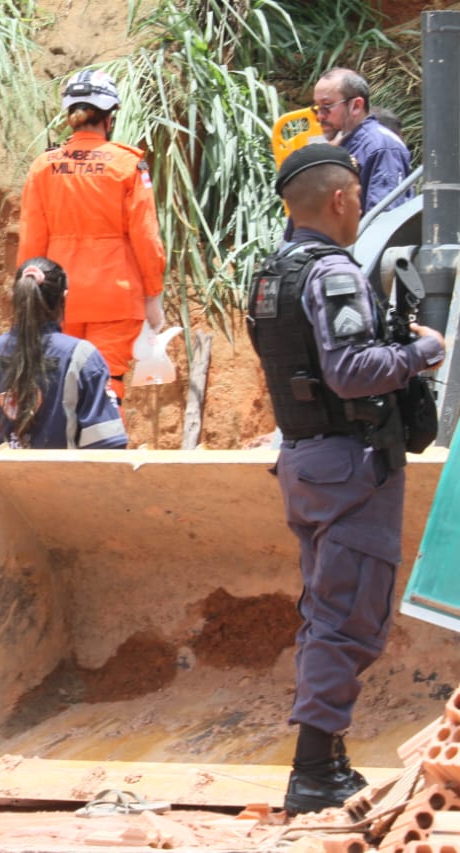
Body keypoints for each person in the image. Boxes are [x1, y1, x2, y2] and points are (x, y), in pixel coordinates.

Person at [246, 143, 444, 815]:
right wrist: (422, 350)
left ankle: (328, 759)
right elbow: (351, 371)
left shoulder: (273, 272)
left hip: (306, 457)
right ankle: (313, 770)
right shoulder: (333, 272)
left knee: (325, 612)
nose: (362, 206)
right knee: (348, 619)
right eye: (358, 196)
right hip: (349, 467)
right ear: (339, 199)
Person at [0, 257, 127, 546]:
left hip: (0, 523)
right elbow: (106, 448)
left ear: (14, 297)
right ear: (63, 299)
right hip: (69, 523)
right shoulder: (82, 358)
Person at [16, 68, 166, 406]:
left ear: (71, 116)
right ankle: (105, 456)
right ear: (109, 118)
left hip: (58, 298)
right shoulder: (127, 166)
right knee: (105, 385)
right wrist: (153, 296)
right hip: (116, 297)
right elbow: (146, 237)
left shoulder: (44, 167)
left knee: (56, 387)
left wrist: (31, 296)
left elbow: (31, 242)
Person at [313, 68, 413, 214]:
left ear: (356, 106)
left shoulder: (381, 147)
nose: (319, 116)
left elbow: (383, 221)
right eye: (316, 107)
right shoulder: (344, 146)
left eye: (327, 106)